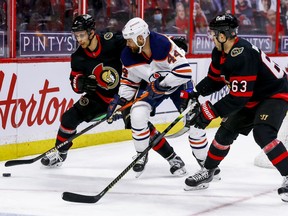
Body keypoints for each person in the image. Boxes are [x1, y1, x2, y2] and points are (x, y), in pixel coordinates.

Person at [183, 13, 288, 202]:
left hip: (274, 95)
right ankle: (208, 171)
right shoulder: (220, 52)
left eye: (214, 33)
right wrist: (195, 93)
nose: (212, 37)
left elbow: (238, 97)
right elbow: (215, 80)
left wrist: (209, 113)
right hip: (252, 96)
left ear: (223, 35)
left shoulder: (243, 53)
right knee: (225, 132)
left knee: (263, 133)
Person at [106, 17, 192, 177]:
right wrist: (121, 101)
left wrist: (163, 83)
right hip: (154, 87)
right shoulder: (128, 54)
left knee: (195, 123)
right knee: (136, 115)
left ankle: (207, 167)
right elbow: (129, 80)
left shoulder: (162, 45)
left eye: (129, 40)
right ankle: (142, 154)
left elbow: (185, 72)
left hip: (176, 84)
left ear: (140, 38)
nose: (127, 44)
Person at [40, 14, 126, 167]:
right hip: (98, 98)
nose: (79, 39)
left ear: (92, 32)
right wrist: (80, 83)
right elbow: (74, 80)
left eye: (82, 35)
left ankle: (171, 157)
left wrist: (168, 43)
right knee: (68, 118)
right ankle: (60, 153)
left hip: (124, 95)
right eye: (76, 36)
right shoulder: (78, 57)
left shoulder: (111, 41)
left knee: (139, 121)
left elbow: (137, 44)